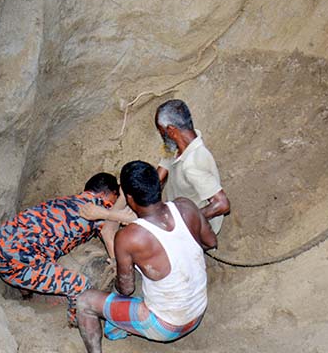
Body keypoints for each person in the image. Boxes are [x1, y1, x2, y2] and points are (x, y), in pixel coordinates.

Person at [76, 160, 217, 353]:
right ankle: (119, 326)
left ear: (129, 199)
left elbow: (126, 289)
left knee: (85, 301)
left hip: (167, 326)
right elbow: (211, 242)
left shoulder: (129, 237)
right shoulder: (186, 206)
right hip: (198, 310)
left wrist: (119, 265)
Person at [0, 172, 123, 326]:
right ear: (103, 194)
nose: (114, 203)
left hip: (1, 244)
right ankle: (75, 321)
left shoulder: (68, 201)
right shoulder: (99, 206)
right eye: (115, 197)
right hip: (17, 262)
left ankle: (26, 292)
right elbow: (109, 233)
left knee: (38, 249)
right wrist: (117, 264)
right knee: (80, 285)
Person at [156, 99, 230, 234]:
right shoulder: (176, 146)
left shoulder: (193, 163)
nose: (162, 136)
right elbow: (157, 180)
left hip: (197, 228)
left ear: (172, 131)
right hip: (178, 210)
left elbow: (222, 204)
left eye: (162, 132)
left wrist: (183, 222)